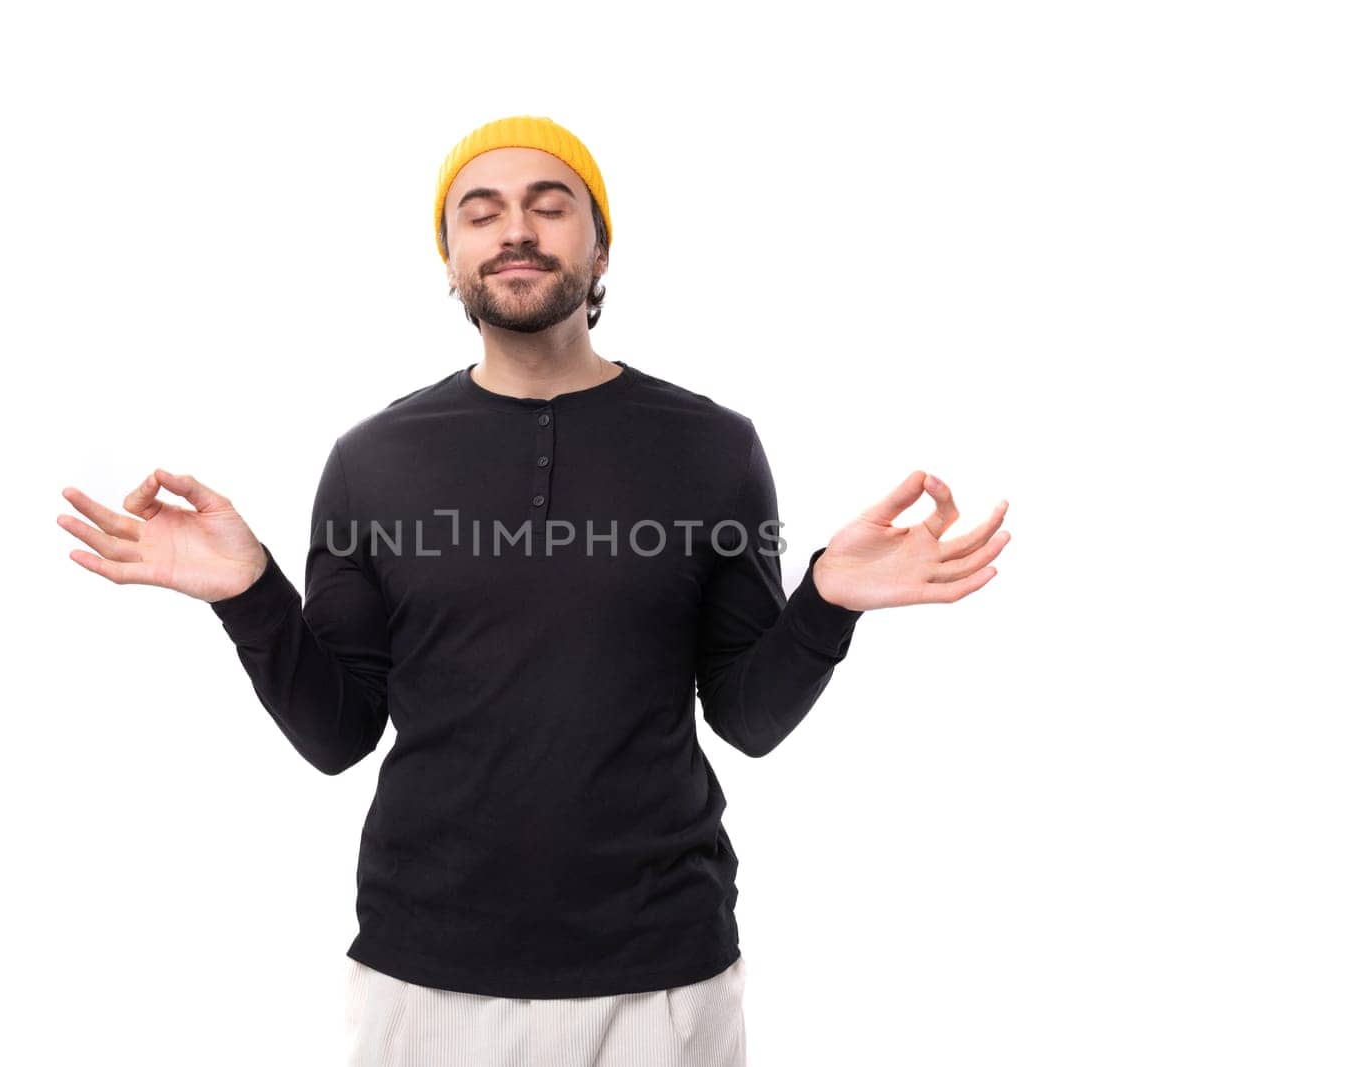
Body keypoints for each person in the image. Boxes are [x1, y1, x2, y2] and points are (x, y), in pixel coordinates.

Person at [58, 114, 1011, 1066]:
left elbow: (748, 718)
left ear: (599, 251)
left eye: (549, 208)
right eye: (481, 214)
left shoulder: (714, 447)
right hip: (424, 977)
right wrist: (249, 593)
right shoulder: (371, 460)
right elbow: (338, 734)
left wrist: (826, 601)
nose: (516, 231)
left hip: (663, 980)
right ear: (450, 259)